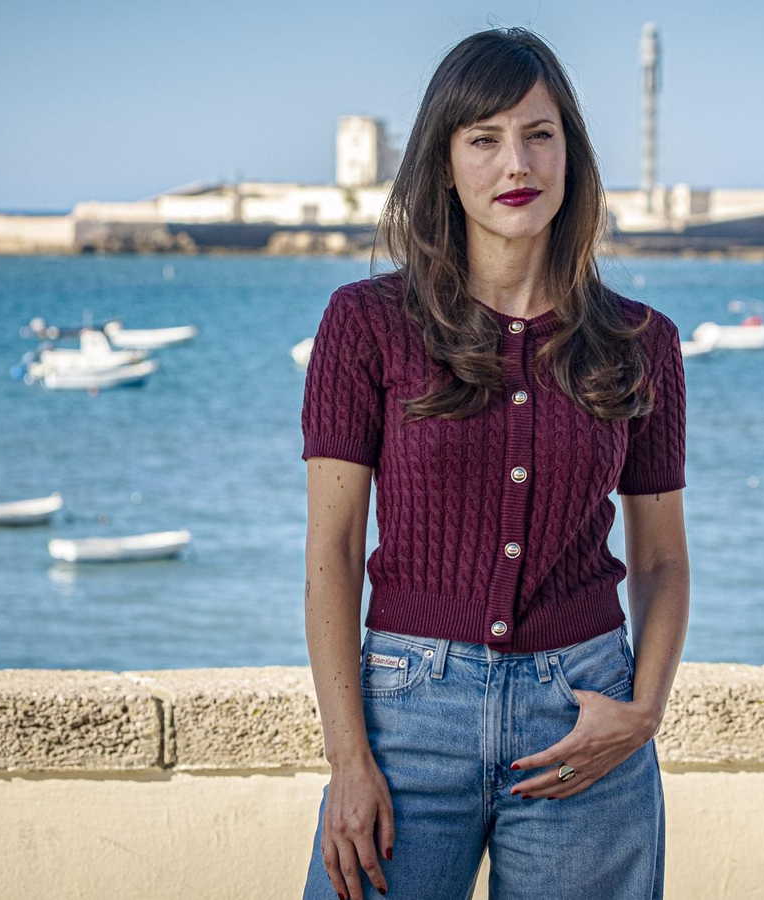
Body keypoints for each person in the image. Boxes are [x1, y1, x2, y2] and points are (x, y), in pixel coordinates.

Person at [300, 26, 690, 900]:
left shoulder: (642, 342)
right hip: (406, 721)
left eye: (539, 134)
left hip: (583, 722)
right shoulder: (366, 326)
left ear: (571, 155)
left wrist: (641, 714)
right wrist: (349, 759)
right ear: (443, 164)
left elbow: (661, 557)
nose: (517, 162)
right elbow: (331, 551)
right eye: (484, 139)